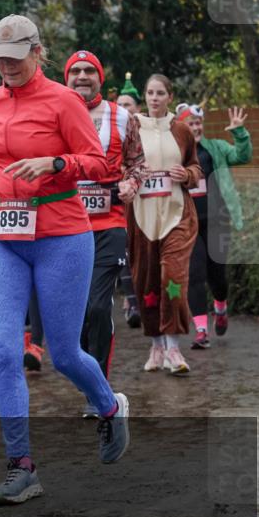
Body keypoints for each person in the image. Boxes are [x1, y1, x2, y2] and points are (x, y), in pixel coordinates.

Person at [0, 15, 130, 507]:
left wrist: (56, 164)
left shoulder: (64, 101)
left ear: (37, 52)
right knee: (7, 352)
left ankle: (108, 406)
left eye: (14, 56)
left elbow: (99, 164)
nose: (5, 66)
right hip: (3, 237)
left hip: (61, 235)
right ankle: (21, 466)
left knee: (66, 353)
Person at [63, 51, 147, 415]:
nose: (82, 77)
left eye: (88, 71)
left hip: (108, 224)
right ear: (67, 78)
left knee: (98, 306)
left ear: (100, 77)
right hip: (63, 225)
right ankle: (91, 382)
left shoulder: (122, 116)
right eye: (75, 71)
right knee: (77, 312)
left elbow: (137, 162)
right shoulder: (54, 113)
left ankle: (101, 391)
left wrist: (131, 183)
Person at [127, 75, 202, 374]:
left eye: (160, 93)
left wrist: (187, 175)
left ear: (170, 96)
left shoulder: (181, 130)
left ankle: (173, 347)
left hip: (177, 215)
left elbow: (195, 166)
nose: (154, 98)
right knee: (146, 285)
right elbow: (120, 166)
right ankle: (156, 345)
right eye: (150, 93)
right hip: (142, 218)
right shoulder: (132, 128)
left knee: (173, 278)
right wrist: (130, 177)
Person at [177, 103, 252, 349]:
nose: (196, 127)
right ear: (181, 127)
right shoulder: (175, 154)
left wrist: (239, 132)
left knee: (217, 275)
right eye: (191, 123)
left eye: (199, 123)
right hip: (188, 223)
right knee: (195, 274)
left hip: (217, 221)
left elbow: (243, 156)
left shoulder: (216, 149)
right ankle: (201, 330)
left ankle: (221, 306)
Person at [114, 73, 143, 327]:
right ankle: (133, 302)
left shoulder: (148, 131)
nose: (123, 109)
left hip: (147, 203)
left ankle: (144, 300)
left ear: (137, 108)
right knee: (124, 252)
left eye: (128, 105)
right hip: (121, 204)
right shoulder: (111, 128)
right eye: (120, 105)